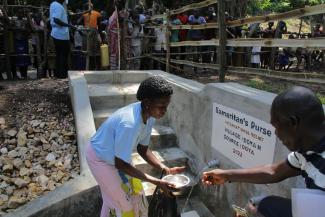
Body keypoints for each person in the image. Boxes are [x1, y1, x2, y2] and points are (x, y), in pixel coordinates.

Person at [202, 86, 325, 217]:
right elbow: (274, 172)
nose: (276, 133)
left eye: (277, 127)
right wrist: (226, 175)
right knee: (267, 205)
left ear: (293, 122)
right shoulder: (306, 149)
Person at [86, 76, 185, 217]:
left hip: (118, 158)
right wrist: (156, 181)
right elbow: (121, 164)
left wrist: (164, 168)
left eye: (166, 106)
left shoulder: (149, 117)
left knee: (135, 193)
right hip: (100, 158)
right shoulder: (129, 123)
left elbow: (142, 149)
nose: (165, 111)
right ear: (147, 103)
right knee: (122, 203)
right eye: (161, 106)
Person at [50, 0, 75, 78]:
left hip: (57, 33)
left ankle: (58, 74)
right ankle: (62, 75)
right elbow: (56, 20)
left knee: (59, 55)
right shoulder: (58, 6)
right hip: (61, 35)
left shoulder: (53, 4)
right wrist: (70, 26)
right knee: (63, 55)